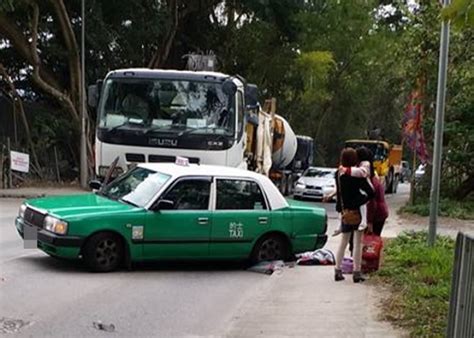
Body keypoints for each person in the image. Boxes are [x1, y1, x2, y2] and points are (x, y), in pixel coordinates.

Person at [334, 147, 375, 283]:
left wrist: (341, 209)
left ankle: (337, 270)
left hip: (346, 212)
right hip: (358, 213)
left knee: (343, 242)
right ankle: (356, 272)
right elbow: (371, 192)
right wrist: (362, 200)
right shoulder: (358, 176)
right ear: (355, 160)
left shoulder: (338, 174)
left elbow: (339, 194)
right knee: (358, 243)